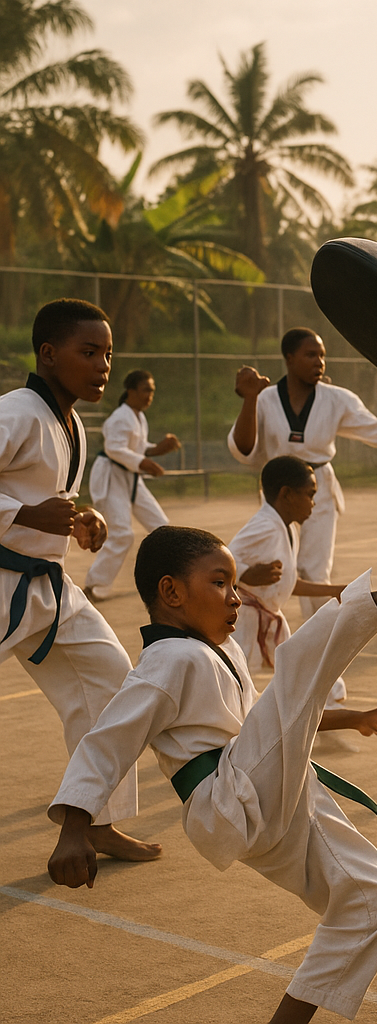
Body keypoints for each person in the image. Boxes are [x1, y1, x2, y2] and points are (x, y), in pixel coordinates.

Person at [47, 518, 377, 1024]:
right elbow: (108, 739)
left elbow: (270, 720)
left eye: (235, 584)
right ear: (171, 592)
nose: (236, 598)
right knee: (300, 665)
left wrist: (349, 718)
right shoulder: (166, 662)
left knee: (372, 898)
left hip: (266, 793)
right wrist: (76, 827)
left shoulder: (218, 651)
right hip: (228, 799)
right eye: (220, 583)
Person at [0, 299, 161, 863]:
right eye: (88, 352)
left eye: (108, 355)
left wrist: (80, 515)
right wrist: (24, 515)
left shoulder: (71, 423)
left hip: (49, 589)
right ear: (48, 354)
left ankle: (96, 817)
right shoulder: (16, 412)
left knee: (113, 685)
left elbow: (47, 497)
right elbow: (27, 505)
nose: (103, 366)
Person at [228, 327, 377, 622]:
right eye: (310, 355)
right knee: (280, 567)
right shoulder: (265, 399)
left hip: (318, 490)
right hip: (277, 495)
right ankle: (264, 632)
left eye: (323, 356)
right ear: (289, 358)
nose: (319, 362)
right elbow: (243, 450)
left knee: (314, 570)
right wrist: (250, 398)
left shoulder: (337, 399)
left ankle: (318, 644)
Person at [228, 455, 349, 675]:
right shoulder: (265, 526)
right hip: (241, 625)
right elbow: (221, 560)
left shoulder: (289, 527)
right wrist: (245, 574)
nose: (314, 502)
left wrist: (337, 591)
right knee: (238, 688)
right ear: (287, 494)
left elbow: (289, 583)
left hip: (264, 619)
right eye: (310, 495)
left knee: (293, 677)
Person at [83, 370, 180, 603]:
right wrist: (144, 462)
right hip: (113, 477)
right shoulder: (119, 417)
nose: (150, 395)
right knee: (122, 534)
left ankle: (170, 578)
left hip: (131, 478)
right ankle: (93, 585)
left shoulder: (138, 416)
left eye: (152, 391)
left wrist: (158, 449)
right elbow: (115, 448)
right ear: (131, 391)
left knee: (162, 527)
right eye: (146, 390)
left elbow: (138, 446)